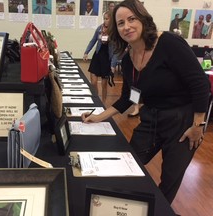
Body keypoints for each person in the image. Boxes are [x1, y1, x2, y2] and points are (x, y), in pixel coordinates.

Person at [82, 0, 210, 205]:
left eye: (131, 19)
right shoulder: (127, 58)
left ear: (143, 19)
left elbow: (201, 84)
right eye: (121, 23)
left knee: (169, 179)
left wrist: (198, 126)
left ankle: (159, 210)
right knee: (129, 163)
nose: (127, 26)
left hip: (182, 122)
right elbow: (127, 99)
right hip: (151, 117)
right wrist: (97, 117)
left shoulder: (168, 43)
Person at [83, 11, 118, 103]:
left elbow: (116, 50)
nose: (105, 21)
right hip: (97, 56)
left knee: (104, 84)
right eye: (104, 19)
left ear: (112, 20)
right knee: (93, 82)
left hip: (107, 58)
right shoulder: (99, 28)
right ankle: (96, 99)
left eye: (107, 19)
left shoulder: (115, 31)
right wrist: (86, 52)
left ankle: (103, 103)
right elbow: (93, 41)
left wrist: (113, 65)